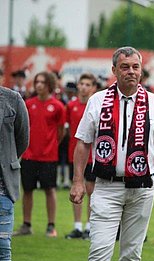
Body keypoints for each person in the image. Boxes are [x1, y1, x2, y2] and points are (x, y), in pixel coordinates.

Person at [69, 46, 154, 261]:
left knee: (131, 256)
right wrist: (77, 181)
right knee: (99, 254)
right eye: (124, 67)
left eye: (135, 67)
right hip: (107, 186)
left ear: (141, 70)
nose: (131, 72)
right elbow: (83, 144)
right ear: (114, 70)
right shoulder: (98, 101)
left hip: (142, 188)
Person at [14, 71, 66, 238]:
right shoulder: (28, 104)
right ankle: (26, 224)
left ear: (49, 85)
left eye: (42, 82)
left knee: (49, 190)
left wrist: (50, 145)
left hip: (48, 157)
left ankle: (51, 226)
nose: (39, 85)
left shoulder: (58, 106)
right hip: (29, 155)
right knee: (27, 190)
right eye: (37, 81)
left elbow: (60, 132)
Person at [64, 73, 97, 240]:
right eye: (81, 84)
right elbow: (68, 131)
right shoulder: (71, 106)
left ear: (93, 88)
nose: (84, 87)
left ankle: (90, 227)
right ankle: (77, 226)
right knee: (76, 189)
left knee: (91, 190)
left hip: (93, 156)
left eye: (87, 84)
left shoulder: (95, 106)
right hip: (74, 155)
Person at [0, 86, 29, 261]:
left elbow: (22, 140)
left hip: (3, 188)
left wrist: (6, 161)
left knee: (3, 250)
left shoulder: (13, 99)